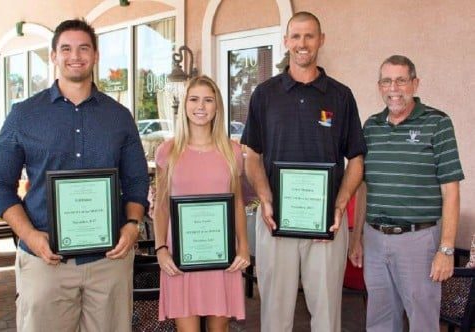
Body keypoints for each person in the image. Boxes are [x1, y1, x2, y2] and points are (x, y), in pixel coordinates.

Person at [0, 19, 149, 332]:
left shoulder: (119, 117)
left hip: (108, 261)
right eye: (66, 48)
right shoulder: (24, 115)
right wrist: (30, 236)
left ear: (96, 55)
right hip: (45, 261)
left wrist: (132, 226)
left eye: (84, 48)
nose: (75, 55)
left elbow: (136, 182)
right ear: (53, 56)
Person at [240, 11, 366, 332]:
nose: (302, 43)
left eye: (309, 36)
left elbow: (356, 161)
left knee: (326, 317)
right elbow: (251, 154)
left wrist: (339, 205)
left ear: (321, 41)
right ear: (286, 42)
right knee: (274, 315)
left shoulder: (341, 95)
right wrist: (265, 197)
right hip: (275, 221)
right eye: (295, 36)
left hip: (327, 227)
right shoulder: (265, 94)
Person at [348, 55, 464, 332]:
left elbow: (451, 191)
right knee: (379, 320)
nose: (394, 88)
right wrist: (356, 238)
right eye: (387, 81)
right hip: (375, 240)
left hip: (419, 240)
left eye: (401, 80)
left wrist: (446, 249)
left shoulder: (438, 123)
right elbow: (364, 186)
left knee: (422, 320)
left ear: (415, 83)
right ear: (379, 86)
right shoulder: (371, 127)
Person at [154, 75, 250, 331]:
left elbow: (237, 203)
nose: (201, 106)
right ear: (184, 105)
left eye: (208, 100)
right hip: (180, 259)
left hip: (221, 256)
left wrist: (243, 247)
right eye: (194, 99)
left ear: (217, 107)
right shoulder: (167, 151)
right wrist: (160, 249)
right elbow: (161, 206)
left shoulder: (233, 152)